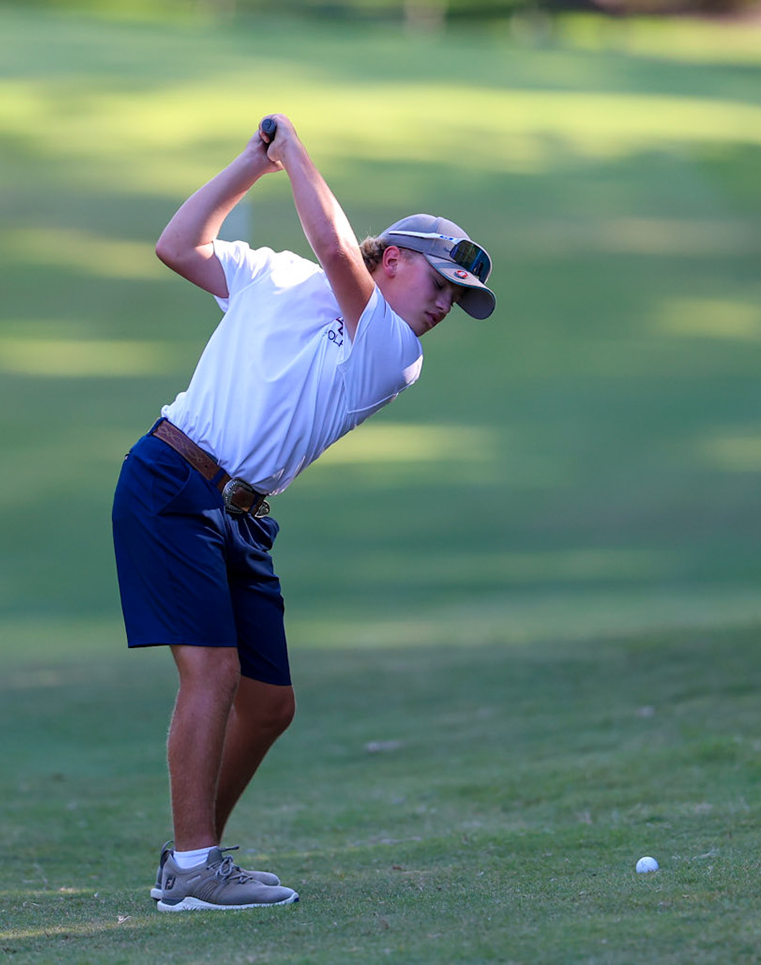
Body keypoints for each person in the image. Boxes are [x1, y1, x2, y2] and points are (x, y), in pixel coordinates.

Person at [110, 114, 495, 912]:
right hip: (171, 480)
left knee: (270, 704)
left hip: (241, 514)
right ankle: (192, 868)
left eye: (460, 301)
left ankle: (190, 856)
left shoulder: (396, 352)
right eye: (443, 287)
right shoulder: (275, 275)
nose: (446, 310)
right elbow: (178, 246)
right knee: (212, 674)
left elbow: (332, 250)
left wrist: (294, 153)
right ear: (392, 260)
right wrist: (253, 165)